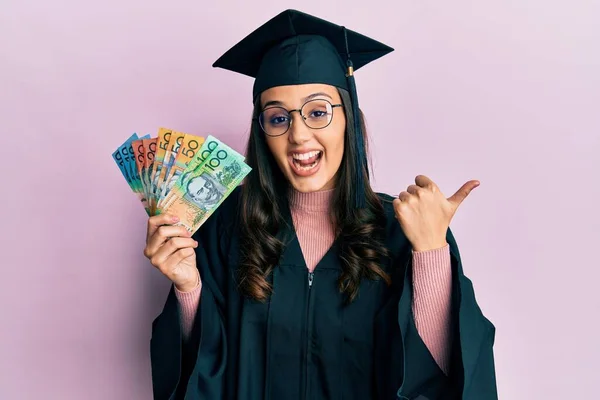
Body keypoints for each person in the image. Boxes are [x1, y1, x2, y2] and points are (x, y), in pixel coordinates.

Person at [144, 9, 497, 400]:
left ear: (349, 118)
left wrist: (430, 251)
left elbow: (445, 374)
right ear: (263, 132)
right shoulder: (226, 229)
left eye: (317, 112)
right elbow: (202, 372)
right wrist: (188, 287)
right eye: (277, 117)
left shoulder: (402, 231)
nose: (298, 135)